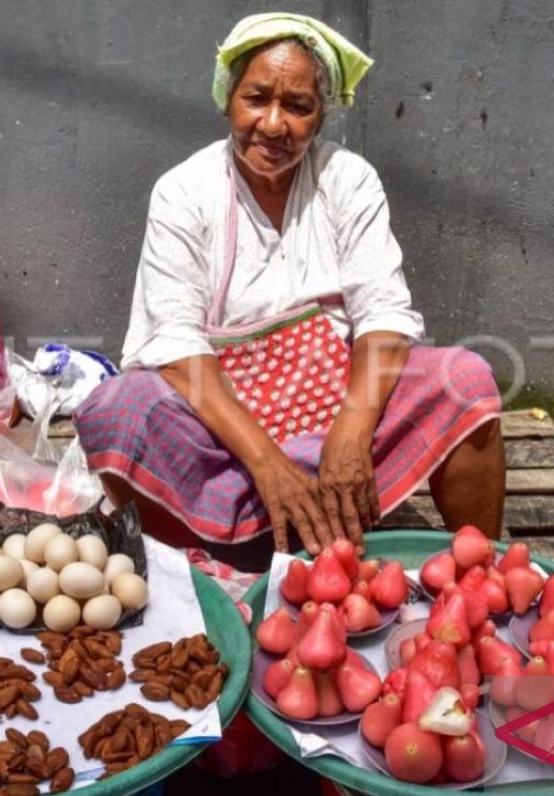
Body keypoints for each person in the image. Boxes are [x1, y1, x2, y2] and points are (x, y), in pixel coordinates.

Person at [76, 12, 503, 572]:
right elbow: (176, 343)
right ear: (228, 97)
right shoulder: (184, 191)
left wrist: (350, 434)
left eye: (298, 107)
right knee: (118, 408)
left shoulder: (347, 180)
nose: (273, 125)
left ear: (321, 114)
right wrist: (269, 465)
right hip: (222, 438)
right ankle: (198, 573)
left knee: (464, 379)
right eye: (256, 98)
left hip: (334, 419)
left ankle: (483, 574)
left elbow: (383, 313)